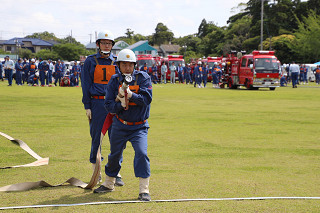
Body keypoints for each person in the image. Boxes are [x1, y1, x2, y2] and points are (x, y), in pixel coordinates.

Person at [94, 49, 152, 202]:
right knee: (114, 155)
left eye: (130, 64)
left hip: (139, 126)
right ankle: (109, 184)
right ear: (118, 65)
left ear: (134, 65)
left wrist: (131, 95)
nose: (127, 67)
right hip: (120, 124)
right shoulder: (114, 80)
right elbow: (108, 105)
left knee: (141, 153)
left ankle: (144, 190)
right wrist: (120, 101)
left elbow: (147, 99)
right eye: (124, 64)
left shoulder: (143, 78)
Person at [81, 30, 123, 186]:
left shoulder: (117, 61)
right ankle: (96, 170)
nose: (107, 45)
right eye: (104, 43)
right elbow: (85, 84)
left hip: (114, 103)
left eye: (109, 43)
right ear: (98, 44)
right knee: (97, 138)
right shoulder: (90, 61)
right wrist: (87, 105)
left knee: (117, 138)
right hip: (97, 104)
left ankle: (115, 171)